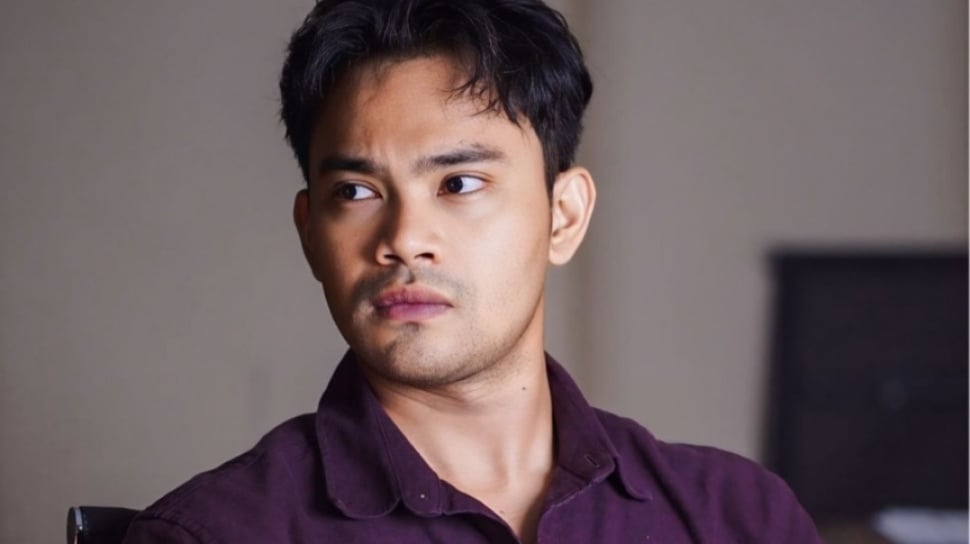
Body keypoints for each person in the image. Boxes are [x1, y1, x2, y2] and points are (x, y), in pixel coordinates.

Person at [122, 0, 822, 542]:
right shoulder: (218, 532)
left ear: (564, 216)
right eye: (356, 192)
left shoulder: (738, 518)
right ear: (310, 234)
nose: (404, 240)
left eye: (458, 184)